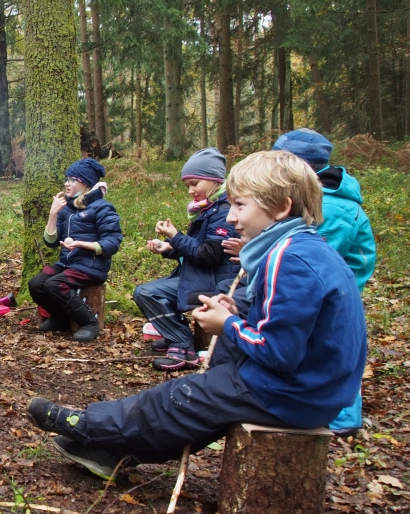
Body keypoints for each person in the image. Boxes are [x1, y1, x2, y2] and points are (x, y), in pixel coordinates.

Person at [26, 150, 367, 481]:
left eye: (240, 206)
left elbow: (280, 351)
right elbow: (286, 327)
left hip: (293, 392)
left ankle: (86, 425)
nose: (231, 218)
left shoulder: (288, 259)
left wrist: (229, 325)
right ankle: (112, 452)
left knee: (177, 397)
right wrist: (238, 314)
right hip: (309, 388)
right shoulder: (301, 248)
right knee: (200, 406)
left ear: (281, 207)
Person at [271, 128, 376, 434]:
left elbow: (318, 257)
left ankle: (343, 418)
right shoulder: (318, 198)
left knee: (333, 349)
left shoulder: (330, 206)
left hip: (336, 294)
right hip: (324, 290)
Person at [133, 148, 239, 370]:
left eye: (194, 183)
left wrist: (176, 236)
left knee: (148, 293)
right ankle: (177, 335)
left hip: (216, 283)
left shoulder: (223, 211)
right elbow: (196, 249)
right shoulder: (208, 209)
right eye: (187, 186)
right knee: (149, 291)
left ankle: (182, 345)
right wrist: (168, 248)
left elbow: (208, 254)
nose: (191, 191)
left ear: (214, 180)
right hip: (201, 276)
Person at [28, 158, 122, 342]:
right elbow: (51, 242)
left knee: (54, 284)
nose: (66, 183)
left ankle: (89, 323)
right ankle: (61, 317)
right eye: (66, 179)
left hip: (91, 267)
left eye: (72, 179)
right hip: (68, 264)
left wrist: (81, 244)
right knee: (36, 284)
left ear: (84, 183)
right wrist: (53, 214)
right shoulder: (67, 209)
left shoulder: (102, 208)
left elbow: (112, 243)